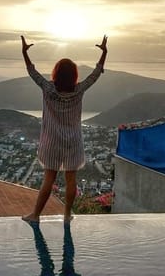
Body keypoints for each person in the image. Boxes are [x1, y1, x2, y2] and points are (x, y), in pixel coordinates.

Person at [21, 34, 108, 223]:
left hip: (51, 141)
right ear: (74, 75)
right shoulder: (79, 90)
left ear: (56, 73)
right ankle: (68, 215)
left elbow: (31, 72)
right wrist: (104, 53)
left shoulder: (47, 88)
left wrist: (24, 53)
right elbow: (95, 74)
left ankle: (35, 215)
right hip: (73, 142)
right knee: (71, 180)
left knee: (48, 180)